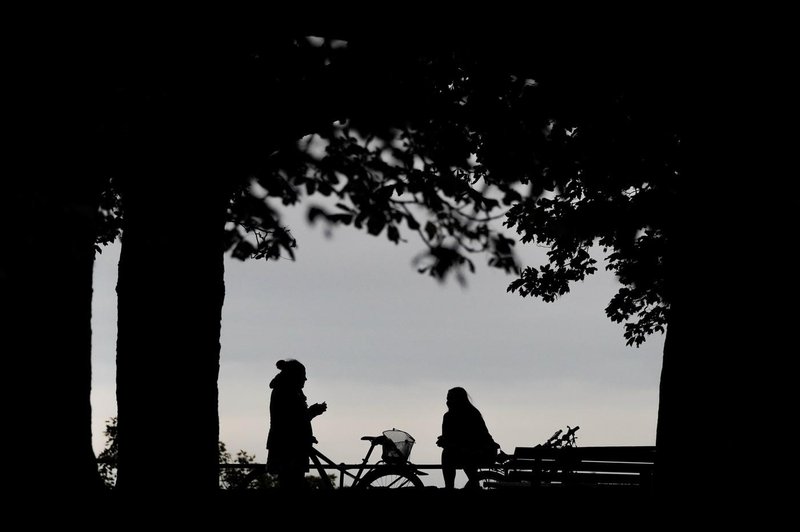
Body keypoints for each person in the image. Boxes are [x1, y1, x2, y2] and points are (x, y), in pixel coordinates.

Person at [266, 359, 327, 489]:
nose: (305, 379)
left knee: (290, 484)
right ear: (295, 376)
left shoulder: (286, 390)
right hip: (289, 447)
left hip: (287, 444)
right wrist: (312, 412)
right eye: (302, 375)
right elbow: (292, 421)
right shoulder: (288, 393)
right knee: (292, 484)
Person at [436, 387, 499, 489]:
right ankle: (469, 484)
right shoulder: (450, 416)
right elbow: (451, 437)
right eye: (447, 399)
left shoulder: (471, 414)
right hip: (468, 451)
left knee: (450, 454)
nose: (448, 402)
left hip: (481, 452)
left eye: (451, 398)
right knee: (453, 453)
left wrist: (447, 442)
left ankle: (450, 488)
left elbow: (474, 439)